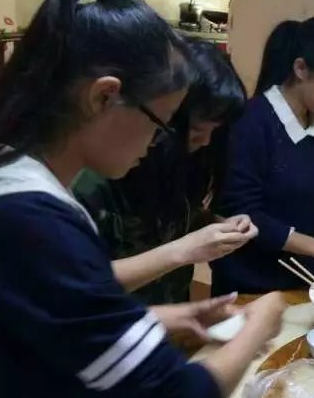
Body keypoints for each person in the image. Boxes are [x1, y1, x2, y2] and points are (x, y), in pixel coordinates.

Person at [0, 0, 286, 398]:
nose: (158, 143)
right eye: (159, 123)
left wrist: (163, 317)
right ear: (103, 96)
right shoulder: (34, 221)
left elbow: (50, 315)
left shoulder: (15, 175)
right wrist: (259, 324)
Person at [74, 38, 253, 309]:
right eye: (197, 131)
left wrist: (218, 229)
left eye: (214, 132)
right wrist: (183, 250)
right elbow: (80, 284)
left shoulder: (187, 163)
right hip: (115, 324)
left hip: (168, 317)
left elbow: (175, 226)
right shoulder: (96, 177)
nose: (205, 142)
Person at [211, 17, 314, 294]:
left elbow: (308, 206)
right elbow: (242, 213)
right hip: (250, 282)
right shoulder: (252, 123)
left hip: (302, 279)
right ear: (301, 68)